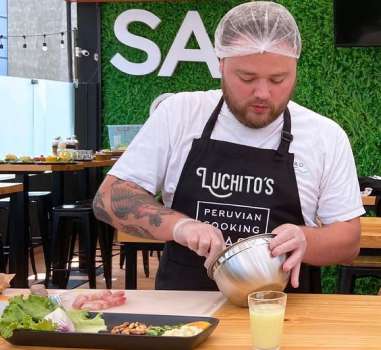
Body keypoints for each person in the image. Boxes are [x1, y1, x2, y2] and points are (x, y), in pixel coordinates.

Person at [94, 2, 364, 292]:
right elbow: (108, 198)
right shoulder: (179, 113)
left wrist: (306, 240)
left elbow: (348, 241)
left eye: (278, 79)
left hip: (284, 312)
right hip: (187, 310)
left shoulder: (325, 135)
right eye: (246, 78)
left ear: (295, 69)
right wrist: (180, 226)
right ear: (220, 64)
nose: (262, 93)